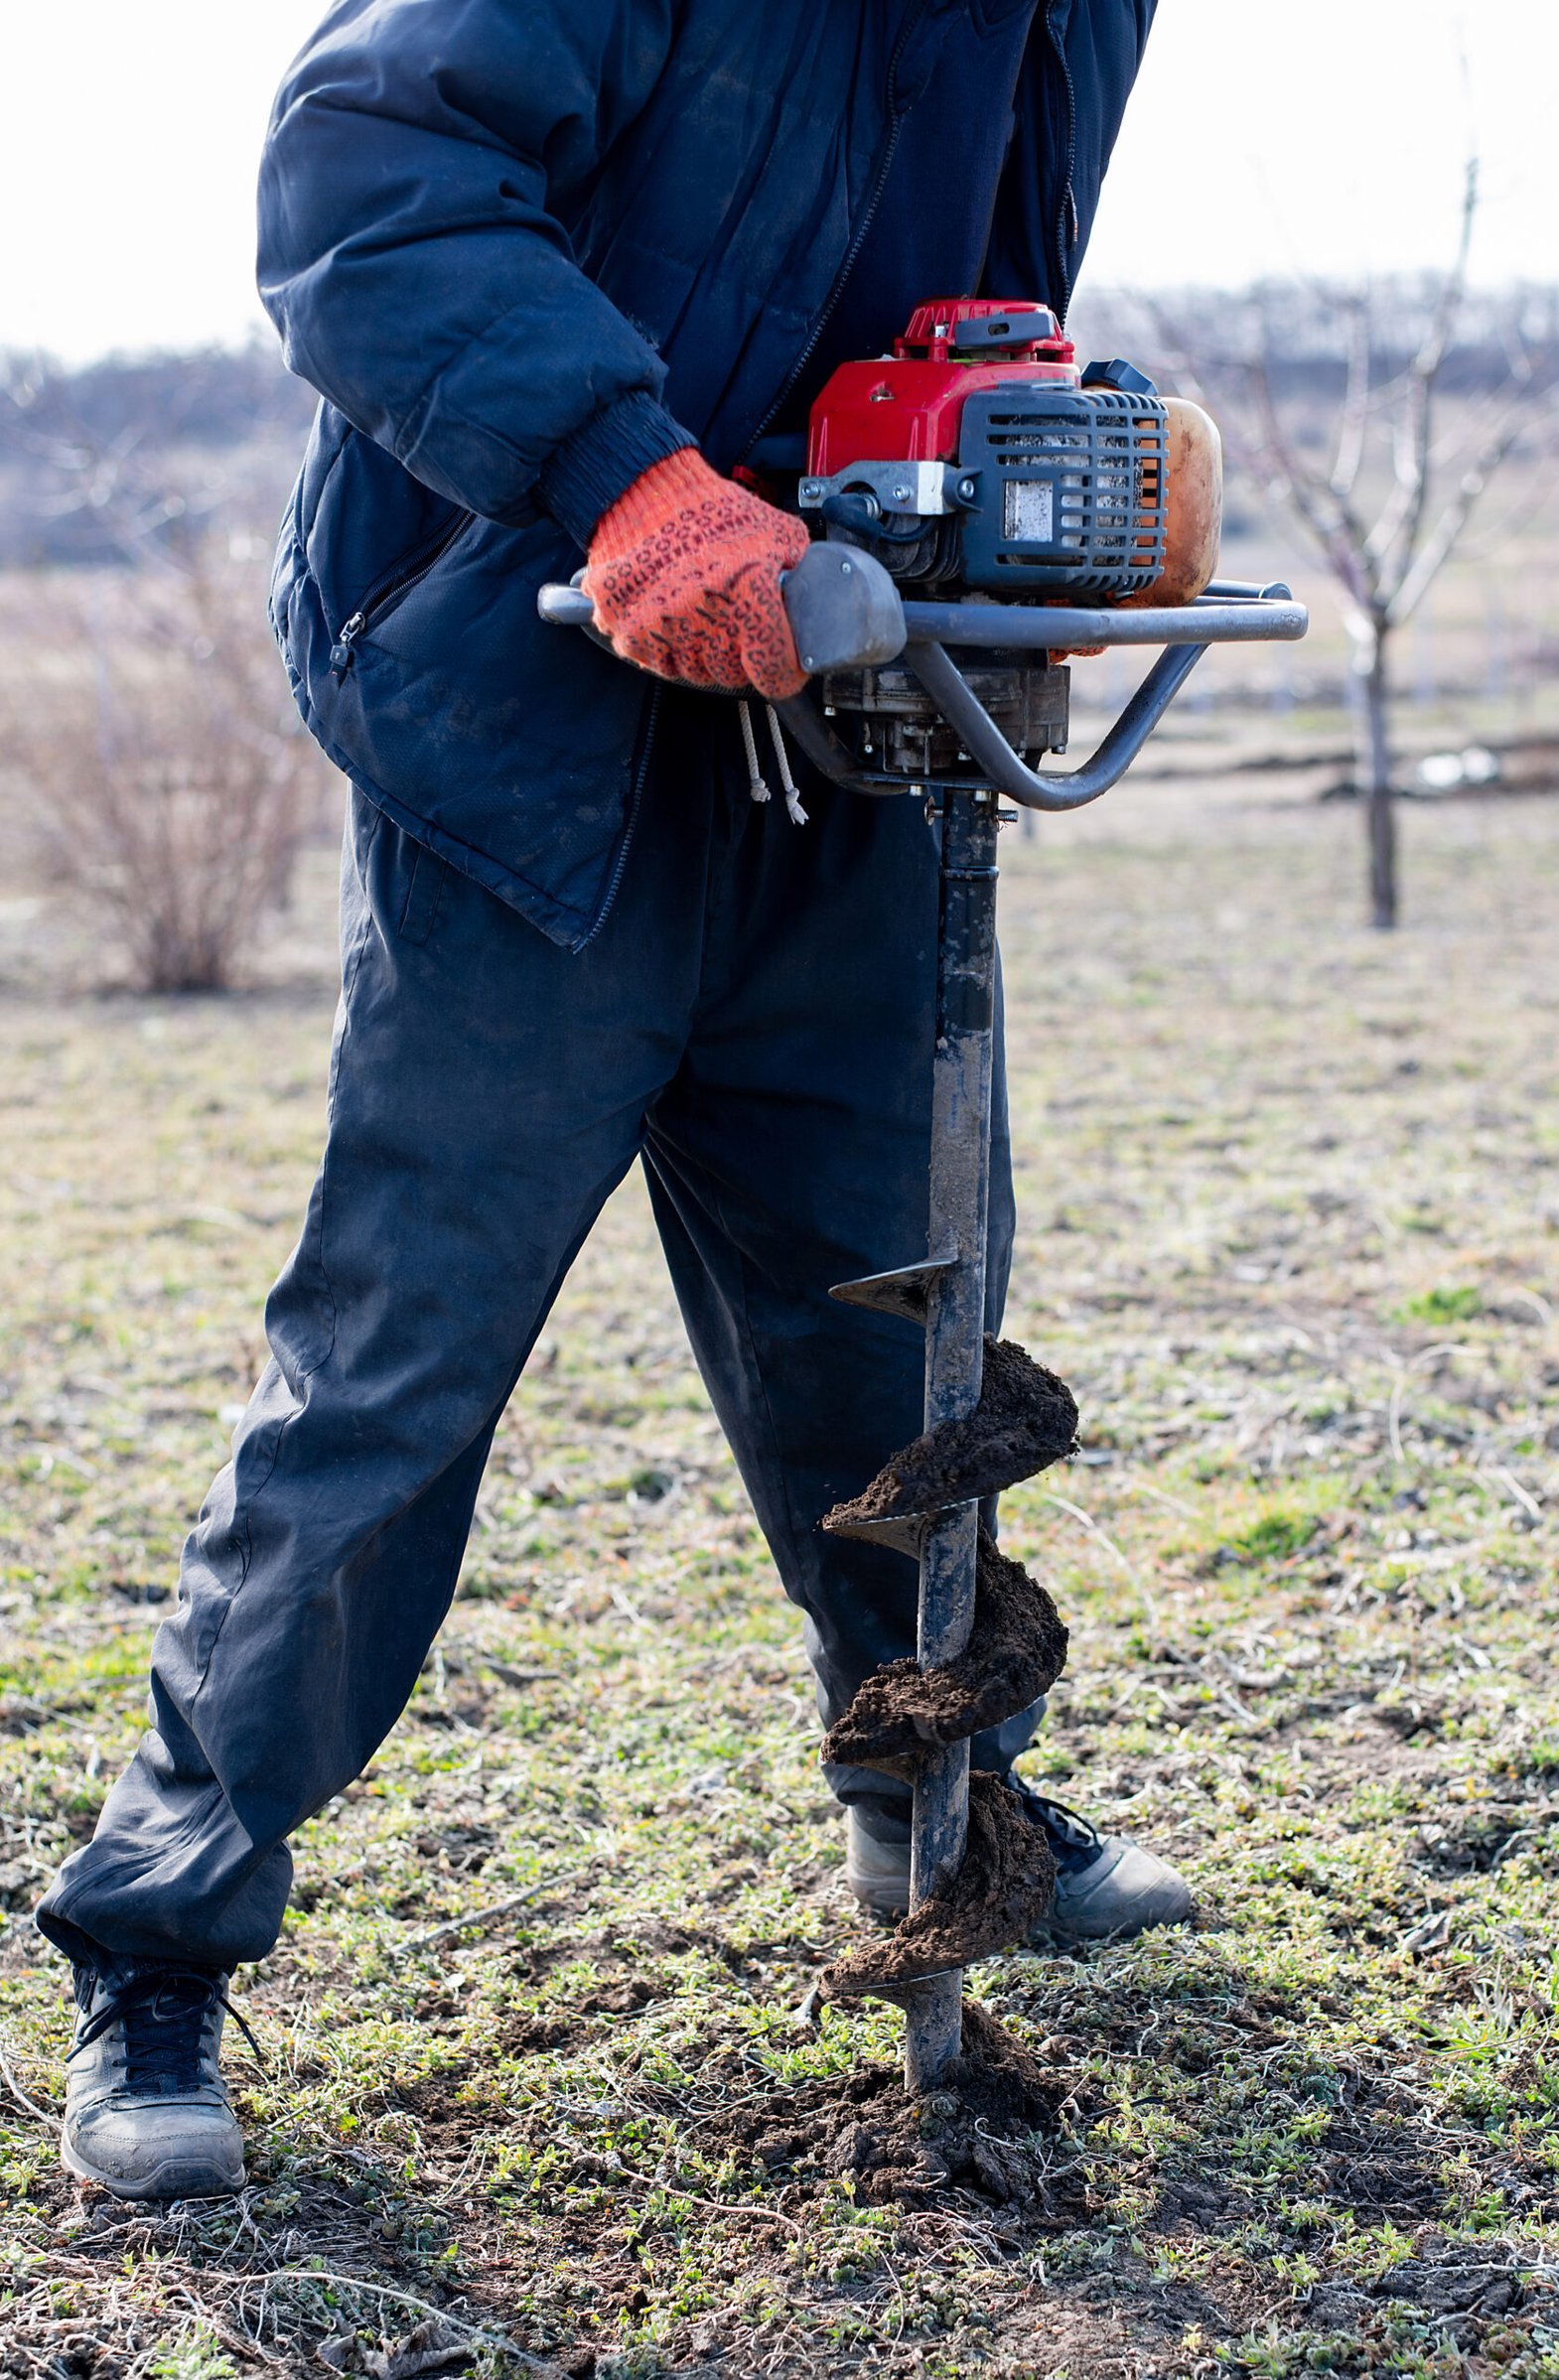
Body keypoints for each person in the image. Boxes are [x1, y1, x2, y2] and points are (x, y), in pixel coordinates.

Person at [38, 0, 1187, 2202]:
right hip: (534, 722)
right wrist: (634, 477)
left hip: (844, 731)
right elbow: (358, 177)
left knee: (900, 1327)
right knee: (400, 1365)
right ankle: (156, 1929)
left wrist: (974, 506)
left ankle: (933, 1790)